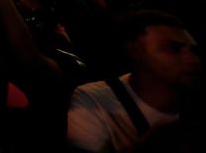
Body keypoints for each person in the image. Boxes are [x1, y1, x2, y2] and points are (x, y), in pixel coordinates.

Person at [67, 10, 202, 152]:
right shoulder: (94, 99)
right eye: (173, 49)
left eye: (194, 51)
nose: (192, 59)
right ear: (134, 51)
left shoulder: (196, 99)